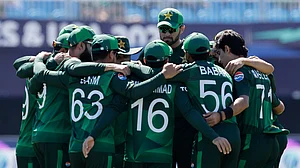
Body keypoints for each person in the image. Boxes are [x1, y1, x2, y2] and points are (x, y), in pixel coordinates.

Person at [29, 34, 182, 168]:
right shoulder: (111, 77)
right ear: (111, 55)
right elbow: (133, 92)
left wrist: (39, 59)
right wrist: (162, 76)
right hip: (102, 145)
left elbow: (41, 75)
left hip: (75, 147)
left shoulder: (71, 76)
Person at [123, 39, 231, 168]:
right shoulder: (176, 85)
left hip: (133, 153)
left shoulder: (129, 80)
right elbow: (189, 112)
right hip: (161, 154)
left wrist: (129, 65)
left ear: (144, 60)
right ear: (167, 61)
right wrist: (214, 136)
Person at [212, 29, 289, 168]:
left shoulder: (240, 72)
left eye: (219, 53)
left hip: (252, 139)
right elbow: (279, 107)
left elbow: (243, 102)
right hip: (272, 139)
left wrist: (221, 115)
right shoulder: (263, 72)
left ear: (227, 49)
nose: (219, 59)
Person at [139, 8, 197, 168]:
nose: (166, 34)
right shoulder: (151, 49)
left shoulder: (189, 50)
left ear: (182, 28)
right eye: (163, 29)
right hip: (157, 124)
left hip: (184, 122)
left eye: (171, 29)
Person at [12, 30, 72, 168]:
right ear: (63, 50)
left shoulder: (38, 67)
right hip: (36, 138)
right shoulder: (58, 70)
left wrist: (41, 59)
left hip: (30, 138)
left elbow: (19, 66)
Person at [113, 36, 143, 168]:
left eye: (128, 57)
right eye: (120, 58)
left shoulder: (136, 75)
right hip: (111, 142)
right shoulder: (105, 77)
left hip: (130, 143)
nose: (125, 62)